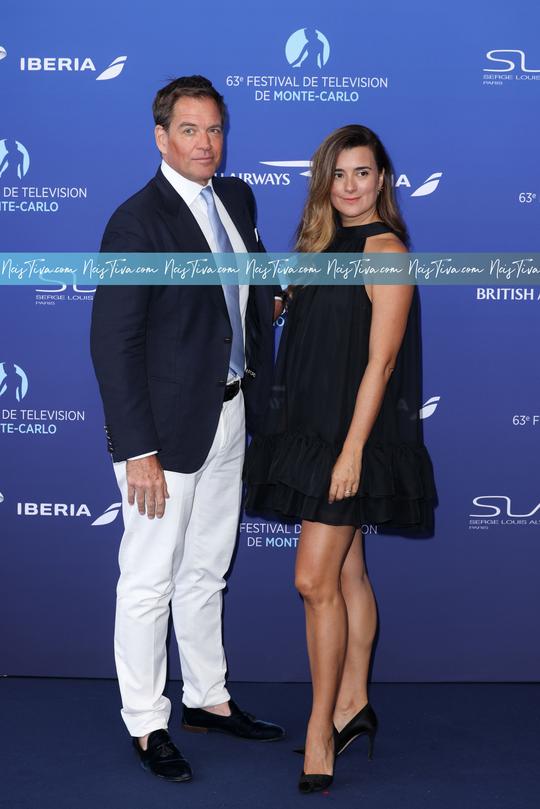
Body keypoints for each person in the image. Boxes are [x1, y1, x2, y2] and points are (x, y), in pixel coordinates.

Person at [90, 75, 284, 784]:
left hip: (230, 411)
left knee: (207, 569)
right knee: (149, 580)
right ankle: (147, 722)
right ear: (161, 137)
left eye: (216, 129)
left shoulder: (235, 197)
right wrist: (136, 448)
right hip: (163, 435)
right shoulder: (135, 222)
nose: (207, 144)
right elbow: (114, 343)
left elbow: (249, 284)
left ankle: (207, 697)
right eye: (192, 130)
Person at [245, 124, 436, 793]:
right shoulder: (323, 248)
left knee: (312, 581)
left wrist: (352, 452)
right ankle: (355, 700)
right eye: (338, 174)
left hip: (351, 440)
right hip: (312, 432)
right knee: (348, 572)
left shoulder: (385, 250)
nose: (350, 186)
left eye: (363, 172)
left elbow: (381, 363)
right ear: (324, 182)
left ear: (383, 178)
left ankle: (322, 726)